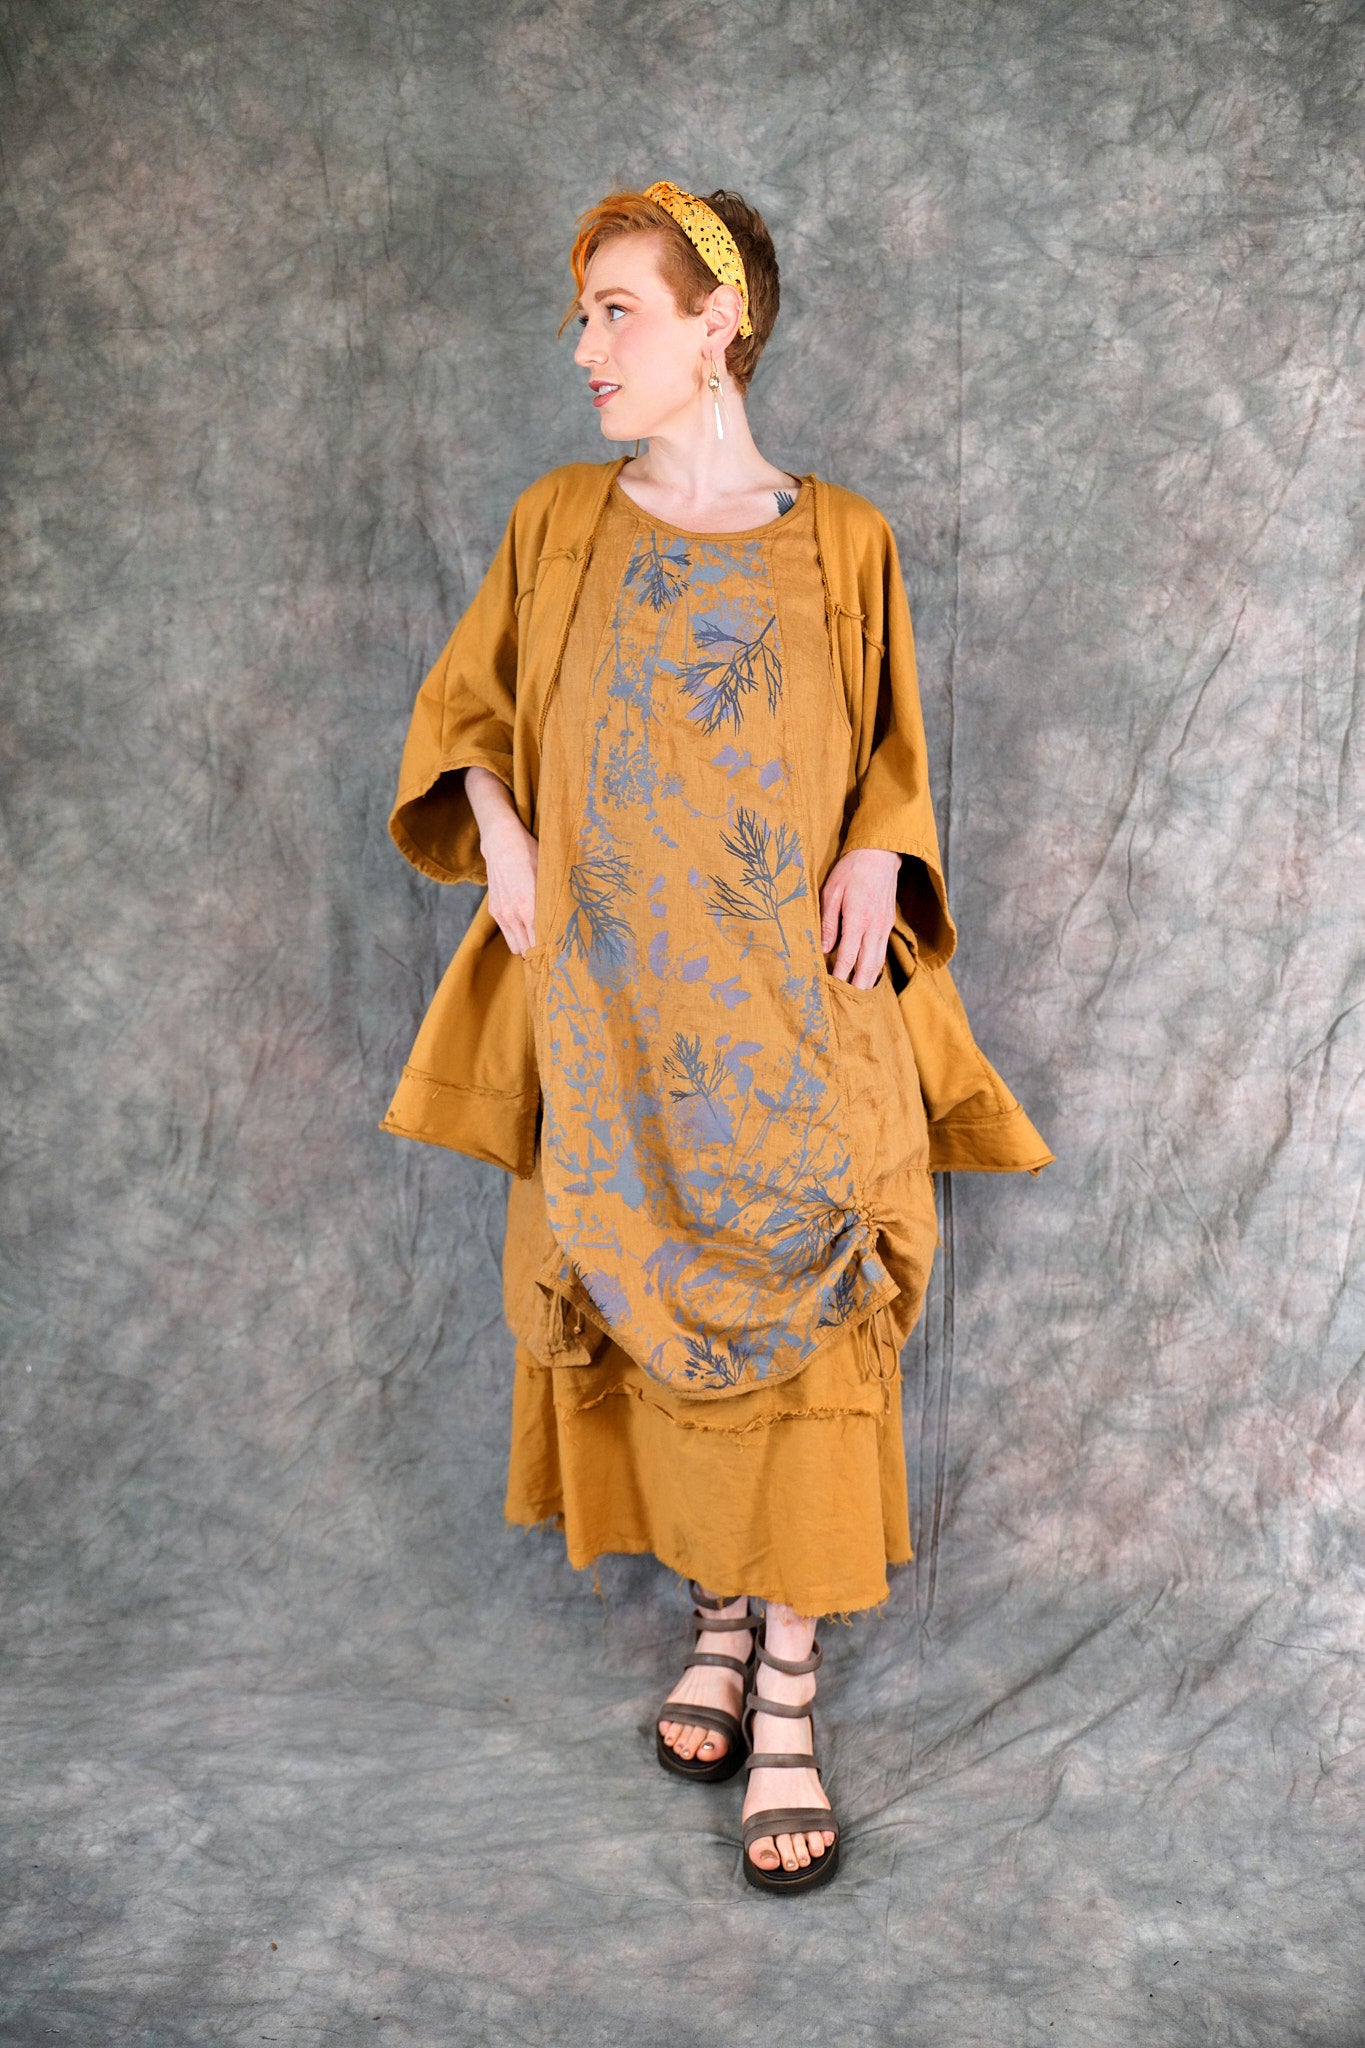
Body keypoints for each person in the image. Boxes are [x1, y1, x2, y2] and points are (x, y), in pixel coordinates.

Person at [382, 182, 1052, 1893]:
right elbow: (468, 715)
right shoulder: (555, 524)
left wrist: (883, 846)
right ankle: (717, 1619)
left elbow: (889, 752)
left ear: (717, 324)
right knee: (648, 1292)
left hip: (792, 1018)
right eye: (582, 312)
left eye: (616, 309)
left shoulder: (844, 542)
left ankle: (792, 1698)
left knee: (805, 1316)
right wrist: (501, 832)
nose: (584, 345)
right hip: (609, 1020)